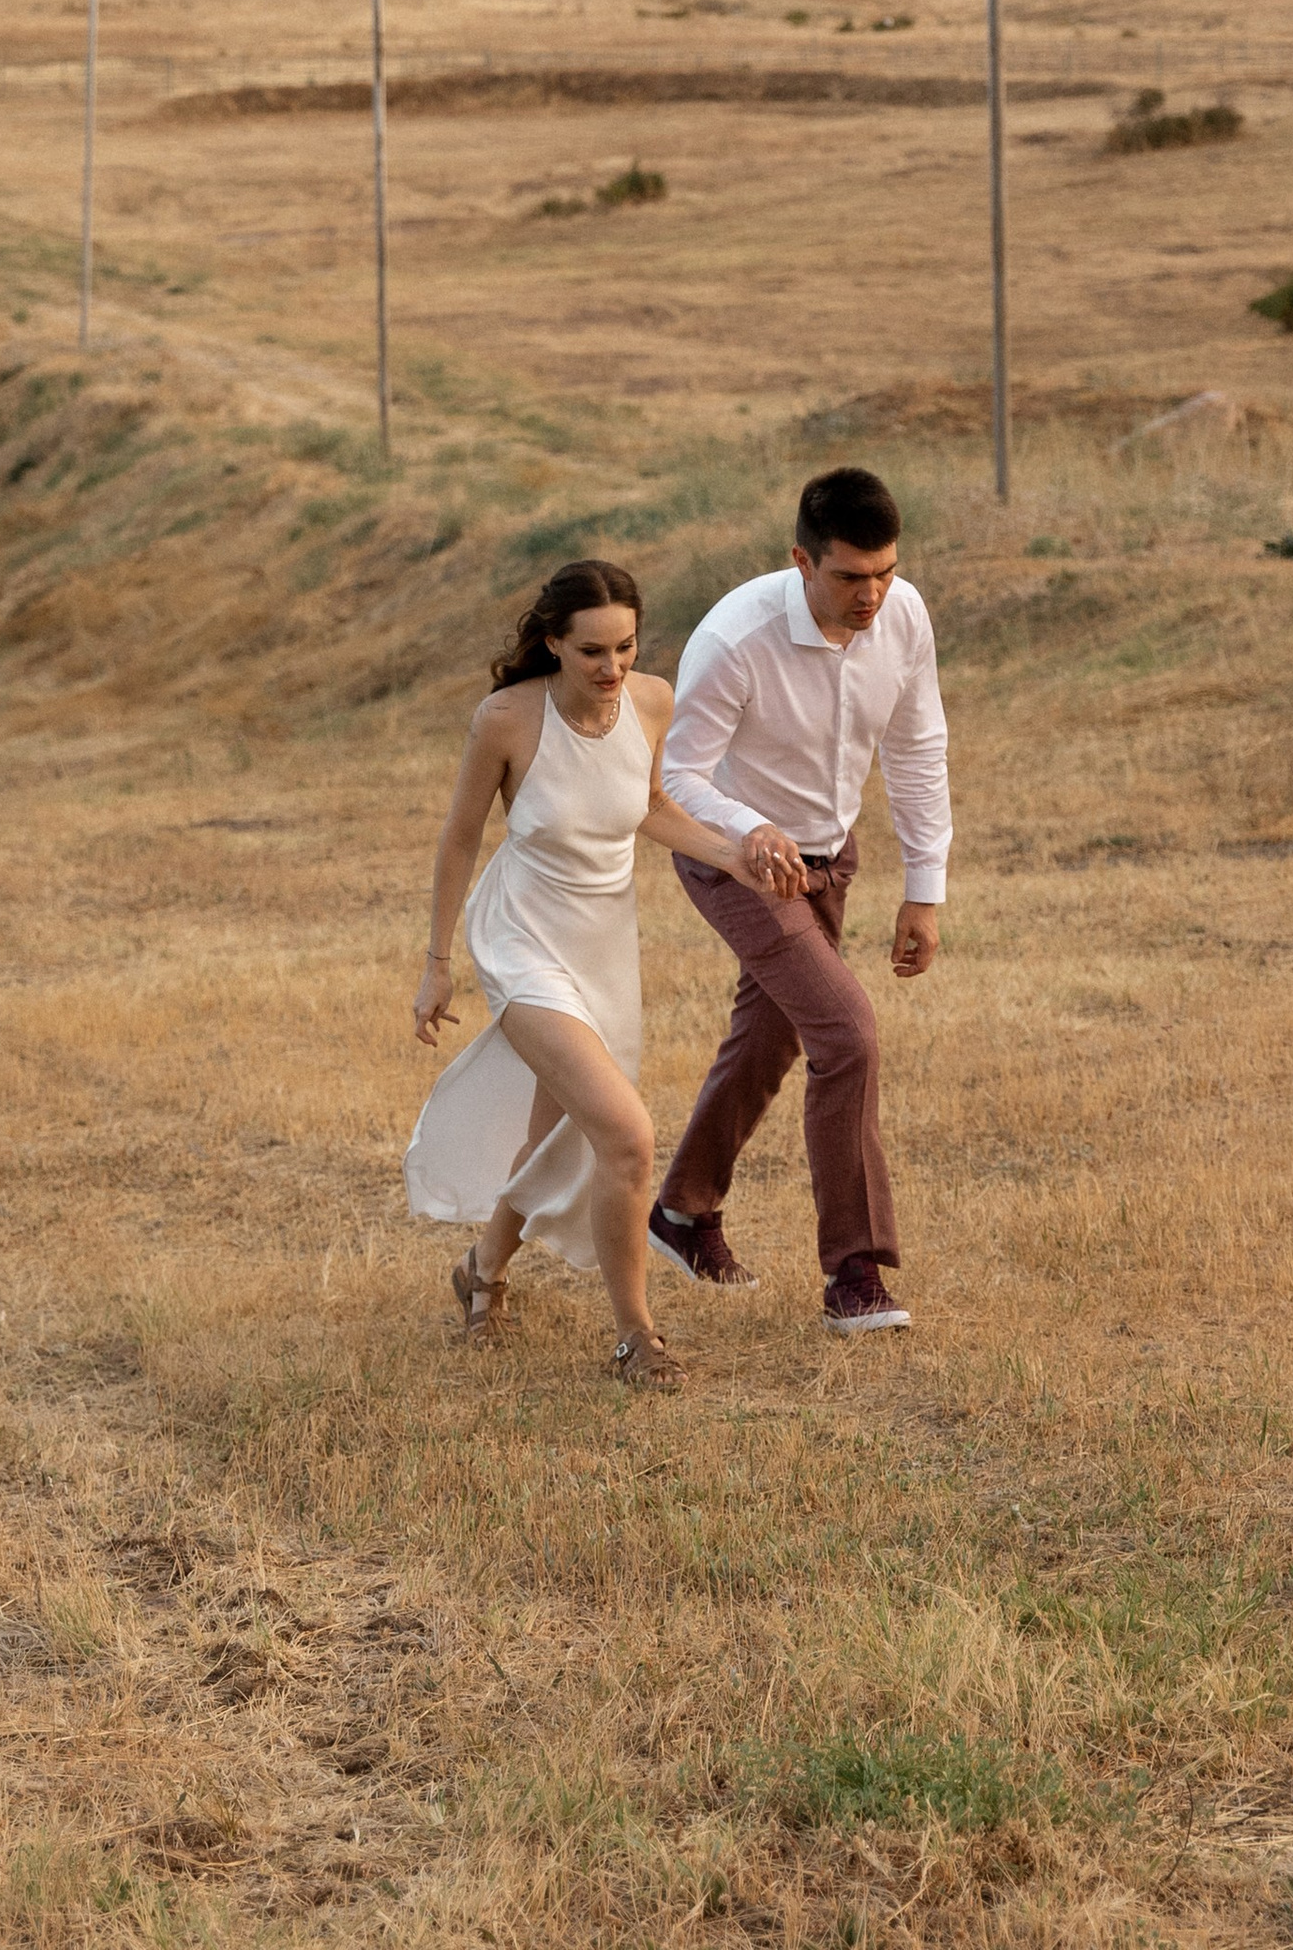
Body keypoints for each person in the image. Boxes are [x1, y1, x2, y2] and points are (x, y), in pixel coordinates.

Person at [406, 559, 806, 1390]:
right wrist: (437, 965)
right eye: (592, 650)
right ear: (553, 642)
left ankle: (481, 1271)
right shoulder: (505, 719)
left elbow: (650, 805)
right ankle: (636, 1338)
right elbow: (459, 837)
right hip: (522, 942)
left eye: (625, 647)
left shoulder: (652, 703)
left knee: (557, 1131)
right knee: (625, 1135)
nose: (612, 666)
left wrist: (736, 856)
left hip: (605, 949)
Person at [649, 464, 951, 1338]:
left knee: (773, 1035)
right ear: (802, 561)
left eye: (885, 571)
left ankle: (682, 1210)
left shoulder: (904, 616)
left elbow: (917, 748)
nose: (873, 594)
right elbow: (676, 777)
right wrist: (750, 831)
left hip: (830, 859)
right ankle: (855, 1274)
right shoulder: (734, 638)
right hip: (734, 860)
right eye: (852, 576)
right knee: (847, 1035)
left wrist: (924, 890)